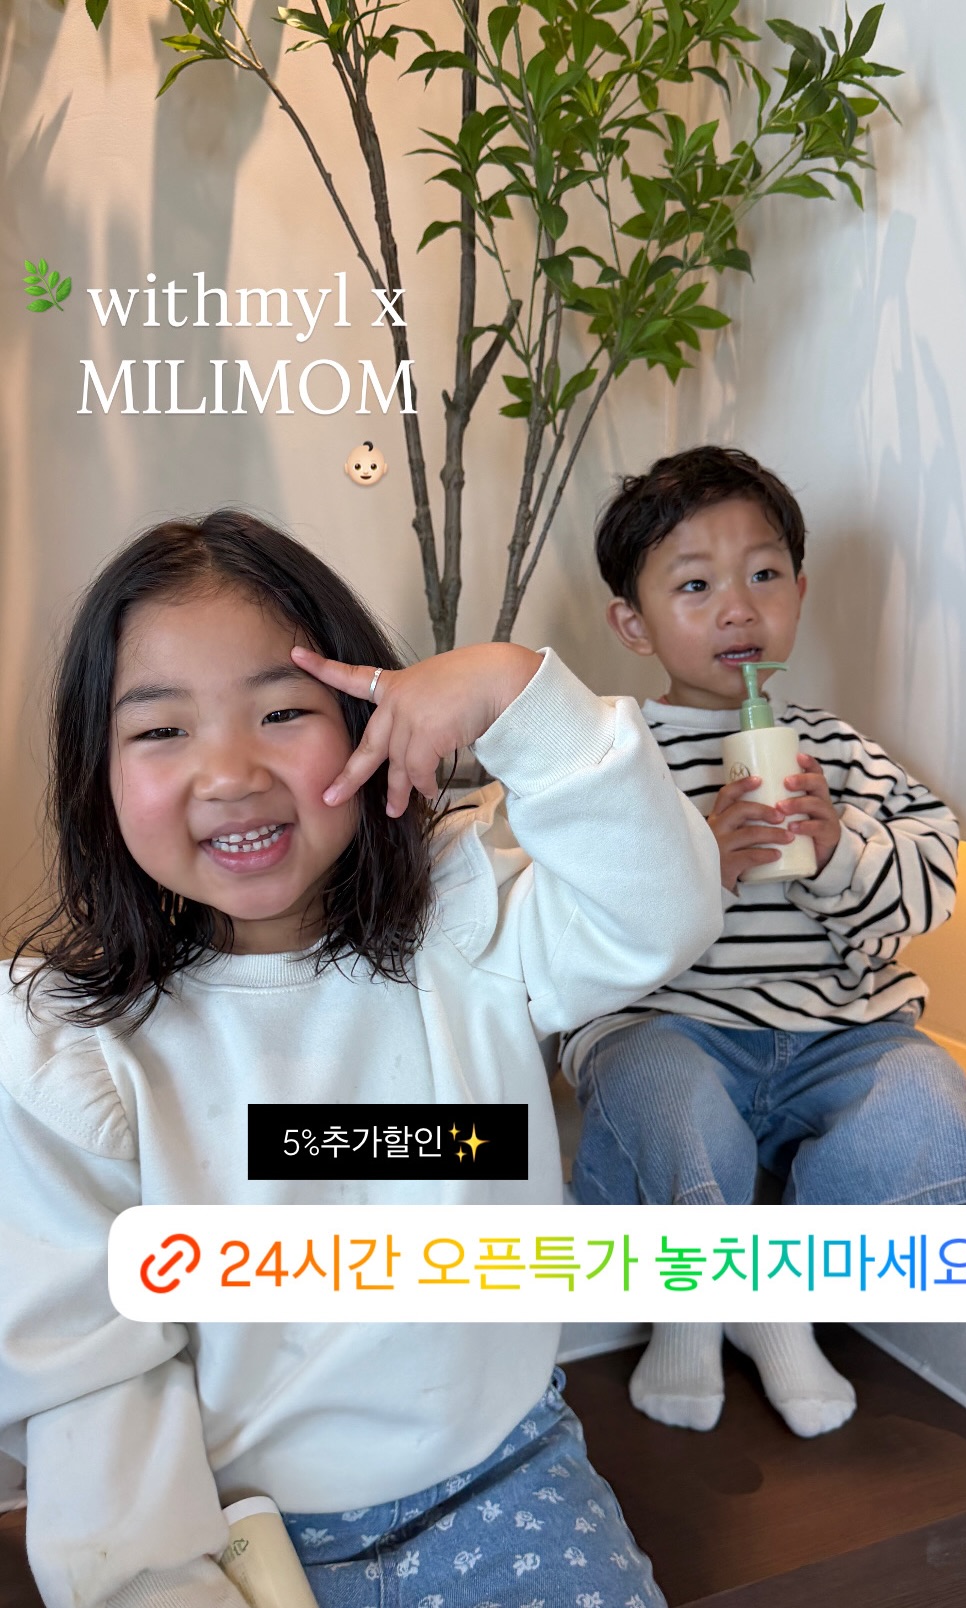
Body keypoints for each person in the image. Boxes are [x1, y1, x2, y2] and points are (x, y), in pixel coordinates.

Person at [0, 510, 724, 1608]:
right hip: (227, 1529)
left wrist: (516, 690)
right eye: (162, 730)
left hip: (501, 1477)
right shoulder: (72, 1046)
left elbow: (662, 911)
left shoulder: (465, 926)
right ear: (94, 775)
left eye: (281, 712)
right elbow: (87, 1375)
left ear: (368, 722)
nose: (229, 772)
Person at [566, 446, 966, 1438]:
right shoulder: (611, 757)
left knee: (927, 1108)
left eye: (764, 574)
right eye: (695, 586)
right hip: (673, 1026)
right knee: (663, 1091)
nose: (738, 608)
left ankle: (777, 1295)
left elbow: (932, 882)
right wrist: (698, 864)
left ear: (800, 594)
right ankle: (699, 1310)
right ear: (633, 624)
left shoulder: (839, 750)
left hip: (846, 1035)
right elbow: (567, 917)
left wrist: (839, 848)